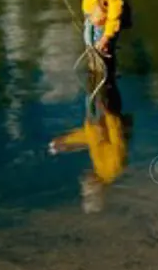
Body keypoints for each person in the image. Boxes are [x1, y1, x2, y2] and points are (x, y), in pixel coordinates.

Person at [49, 78, 132, 214]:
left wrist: (66, 141)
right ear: (97, 188)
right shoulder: (113, 169)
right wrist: (107, 112)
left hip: (97, 120)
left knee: (93, 79)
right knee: (100, 77)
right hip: (106, 116)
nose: (84, 180)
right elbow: (116, 138)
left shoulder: (100, 170)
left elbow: (92, 139)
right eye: (86, 186)